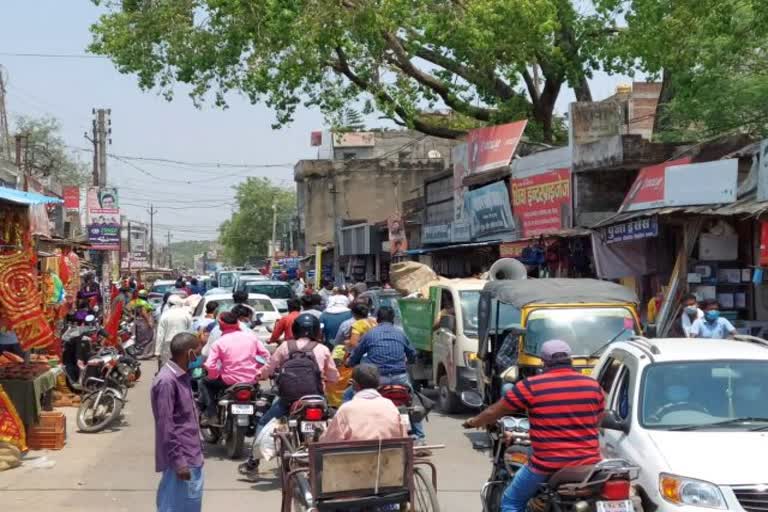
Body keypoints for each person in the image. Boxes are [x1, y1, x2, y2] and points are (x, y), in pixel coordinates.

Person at [462, 340, 605, 512]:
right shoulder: (593, 385)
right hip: (590, 464)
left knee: (511, 501)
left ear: (543, 362)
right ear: (570, 360)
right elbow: (598, 420)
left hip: (549, 463)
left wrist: (474, 421)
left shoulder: (531, 386)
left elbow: (493, 412)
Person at [347, 306, 424, 441]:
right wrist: (409, 361)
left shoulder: (370, 334)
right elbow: (412, 354)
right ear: (393, 319)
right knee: (413, 403)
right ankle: (420, 437)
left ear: (377, 319)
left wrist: (351, 363)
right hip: (400, 378)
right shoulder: (400, 333)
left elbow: (355, 355)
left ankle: (353, 433)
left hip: (378, 379)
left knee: (350, 395)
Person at [256, 313, 339, 428]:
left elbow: (270, 367)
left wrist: (261, 375)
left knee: (263, 423)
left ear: (295, 329)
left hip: (288, 398)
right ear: (316, 330)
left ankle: (259, 446)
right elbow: (334, 377)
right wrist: (328, 380)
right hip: (316, 397)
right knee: (333, 425)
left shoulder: (285, 346)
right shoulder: (323, 348)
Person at [151, 333, 204, 512]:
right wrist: (179, 462)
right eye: (198, 352)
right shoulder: (167, 381)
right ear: (190, 353)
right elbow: (166, 425)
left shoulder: (182, 375)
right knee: (175, 506)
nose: (200, 356)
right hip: (182, 459)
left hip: (191, 454)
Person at [201, 311, 270, 424]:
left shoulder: (219, 343)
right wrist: (261, 371)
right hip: (251, 380)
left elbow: (209, 365)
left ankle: (212, 414)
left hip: (228, 381)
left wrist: (214, 375)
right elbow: (267, 356)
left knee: (204, 382)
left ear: (221, 325)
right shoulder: (251, 338)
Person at [321, 364, 405, 443]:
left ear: (353, 384)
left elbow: (329, 441)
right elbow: (403, 436)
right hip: (390, 457)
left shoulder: (346, 410)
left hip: (356, 458)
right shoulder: (390, 406)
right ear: (378, 384)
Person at [155, 295, 193, 368]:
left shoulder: (165, 315)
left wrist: (158, 351)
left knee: (168, 365)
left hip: (168, 344)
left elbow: (160, 334)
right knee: (182, 364)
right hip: (183, 343)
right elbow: (190, 330)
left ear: (169, 304)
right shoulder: (186, 314)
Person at [129, 289, 156, 357]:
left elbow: (127, 309)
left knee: (138, 337)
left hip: (135, 321)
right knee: (148, 337)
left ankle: (139, 351)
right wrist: (149, 322)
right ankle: (144, 353)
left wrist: (132, 316)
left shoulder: (133, 302)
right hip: (143, 322)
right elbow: (144, 313)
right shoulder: (144, 303)